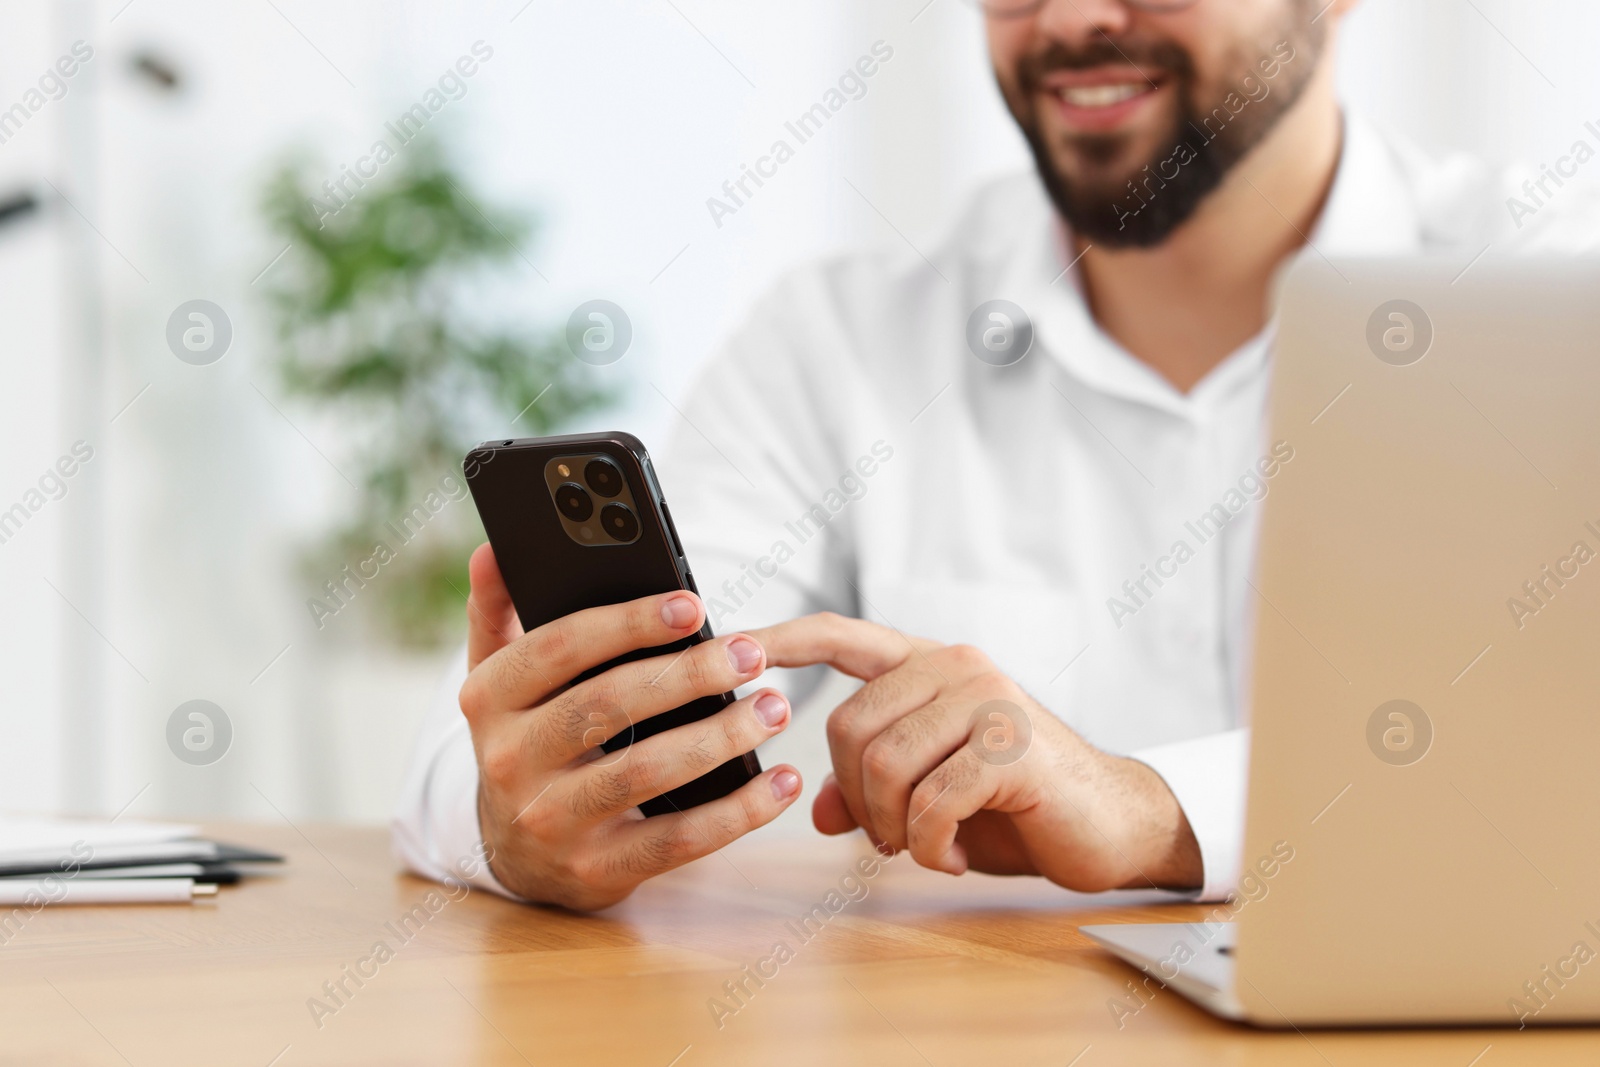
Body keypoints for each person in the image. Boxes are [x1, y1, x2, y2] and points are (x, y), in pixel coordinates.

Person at [393, 0, 1595, 910]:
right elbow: (488, 774)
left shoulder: (1555, 298)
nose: (1070, 22)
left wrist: (1157, 810)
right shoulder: (840, 345)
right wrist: (516, 811)